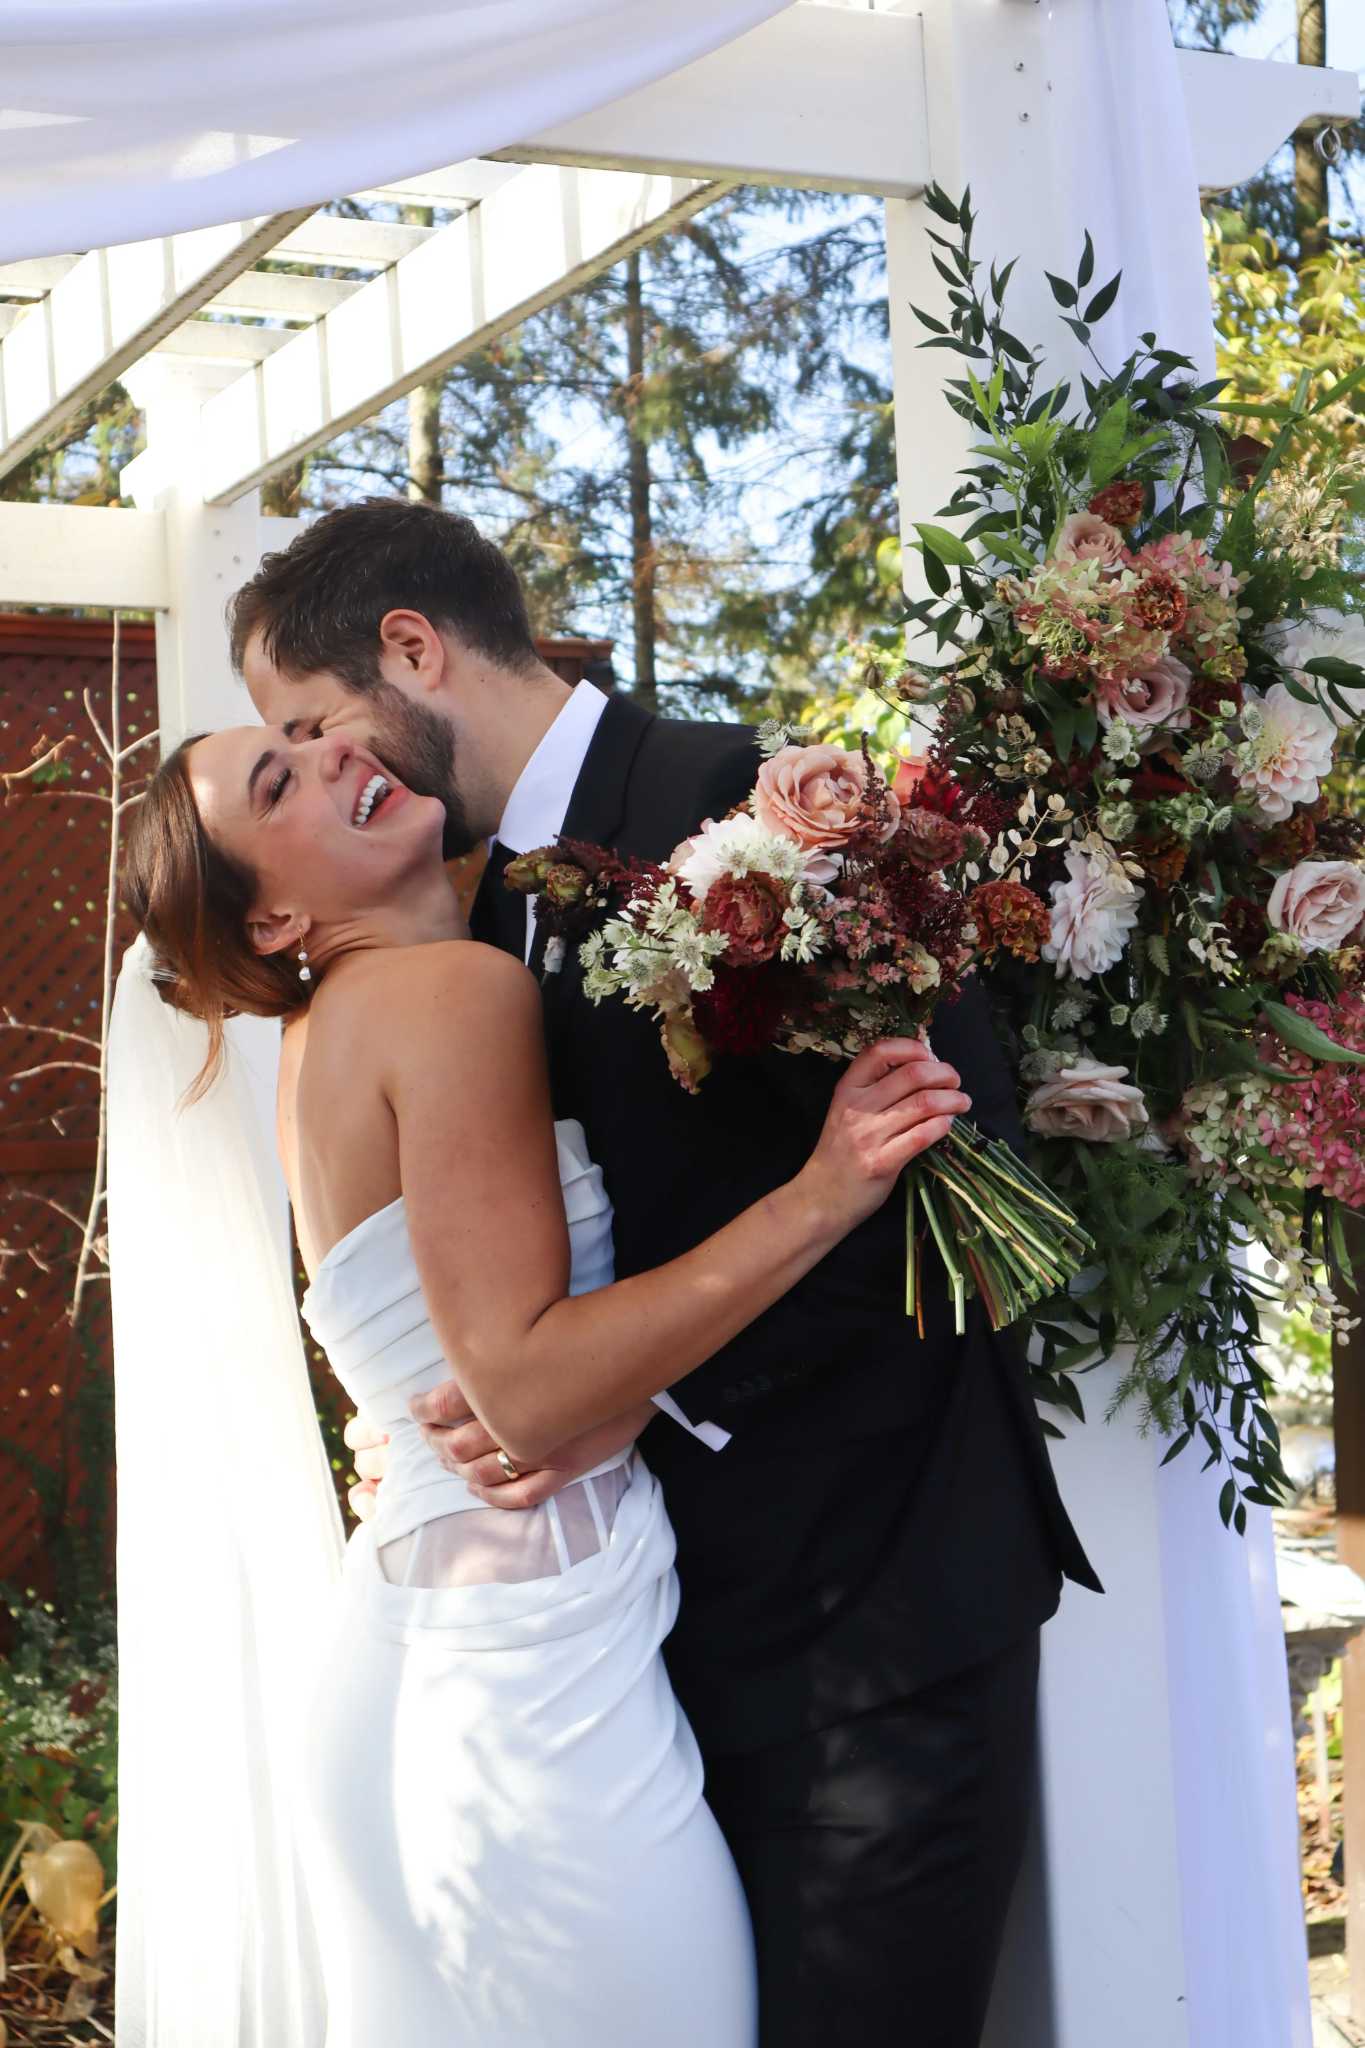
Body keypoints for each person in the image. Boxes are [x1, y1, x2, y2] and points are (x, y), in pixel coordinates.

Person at [232, 498, 1099, 2048]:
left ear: (410, 650)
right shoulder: (469, 910)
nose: (336, 763)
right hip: (656, 1640)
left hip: (869, 1621)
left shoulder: (729, 803)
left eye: (311, 720)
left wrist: (617, 1391)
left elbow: (940, 1173)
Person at [123, 714, 975, 2047]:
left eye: (307, 731)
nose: (340, 753)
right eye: (281, 781)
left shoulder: (322, 1043)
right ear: (276, 916)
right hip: (528, 1684)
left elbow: (419, 1349)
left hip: (410, 1657)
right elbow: (518, 1390)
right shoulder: (449, 994)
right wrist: (821, 1195)